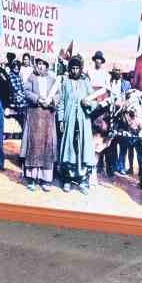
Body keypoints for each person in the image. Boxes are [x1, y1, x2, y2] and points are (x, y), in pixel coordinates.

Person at [56, 54, 96, 191]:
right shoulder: (65, 83)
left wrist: (88, 103)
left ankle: (83, 180)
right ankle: (67, 179)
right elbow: (61, 102)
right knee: (69, 149)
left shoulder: (86, 83)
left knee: (83, 149)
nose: (74, 71)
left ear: (81, 69)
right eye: (72, 68)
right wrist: (61, 119)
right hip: (69, 121)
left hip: (83, 121)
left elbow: (94, 101)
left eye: (77, 68)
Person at [22, 56, 59, 191]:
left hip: (48, 117)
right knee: (34, 145)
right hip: (35, 116)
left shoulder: (52, 80)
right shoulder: (31, 78)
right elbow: (26, 92)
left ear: (47, 66)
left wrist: (51, 101)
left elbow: (58, 95)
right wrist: (38, 99)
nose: (41, 66)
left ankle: (45, 179)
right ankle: (32, 178)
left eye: (43, 64)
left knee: (47, 146)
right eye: (39, 63)